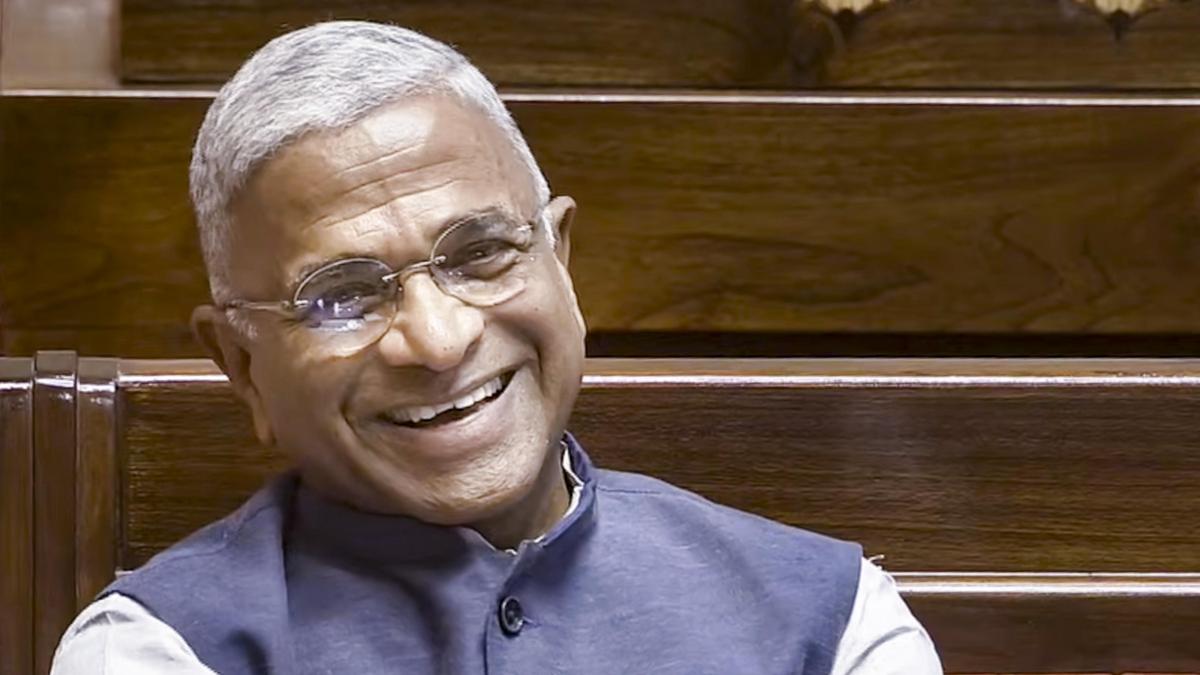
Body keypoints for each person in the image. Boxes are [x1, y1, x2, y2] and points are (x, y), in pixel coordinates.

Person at [51, 21, 941, 675]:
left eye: (479, 253)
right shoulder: (156, 650)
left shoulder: (833, 625)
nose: (439, 341)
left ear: (562, 263)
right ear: (242, 365)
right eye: (344, 294)